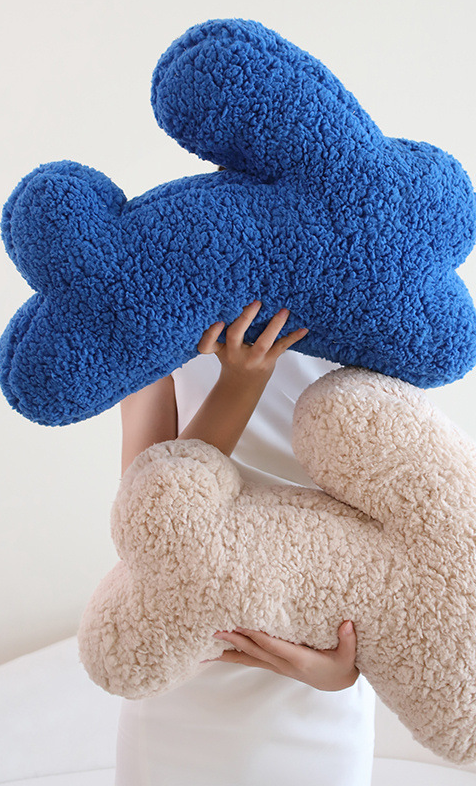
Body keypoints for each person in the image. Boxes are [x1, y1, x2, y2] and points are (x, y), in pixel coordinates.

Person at [114, 299, 376, 785]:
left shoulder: (368, 307)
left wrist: (347, 670)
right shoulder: (158, 312)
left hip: (316, 695)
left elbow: (396, 521)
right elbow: (145, 522)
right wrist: (239, 385)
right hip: (187, 671)